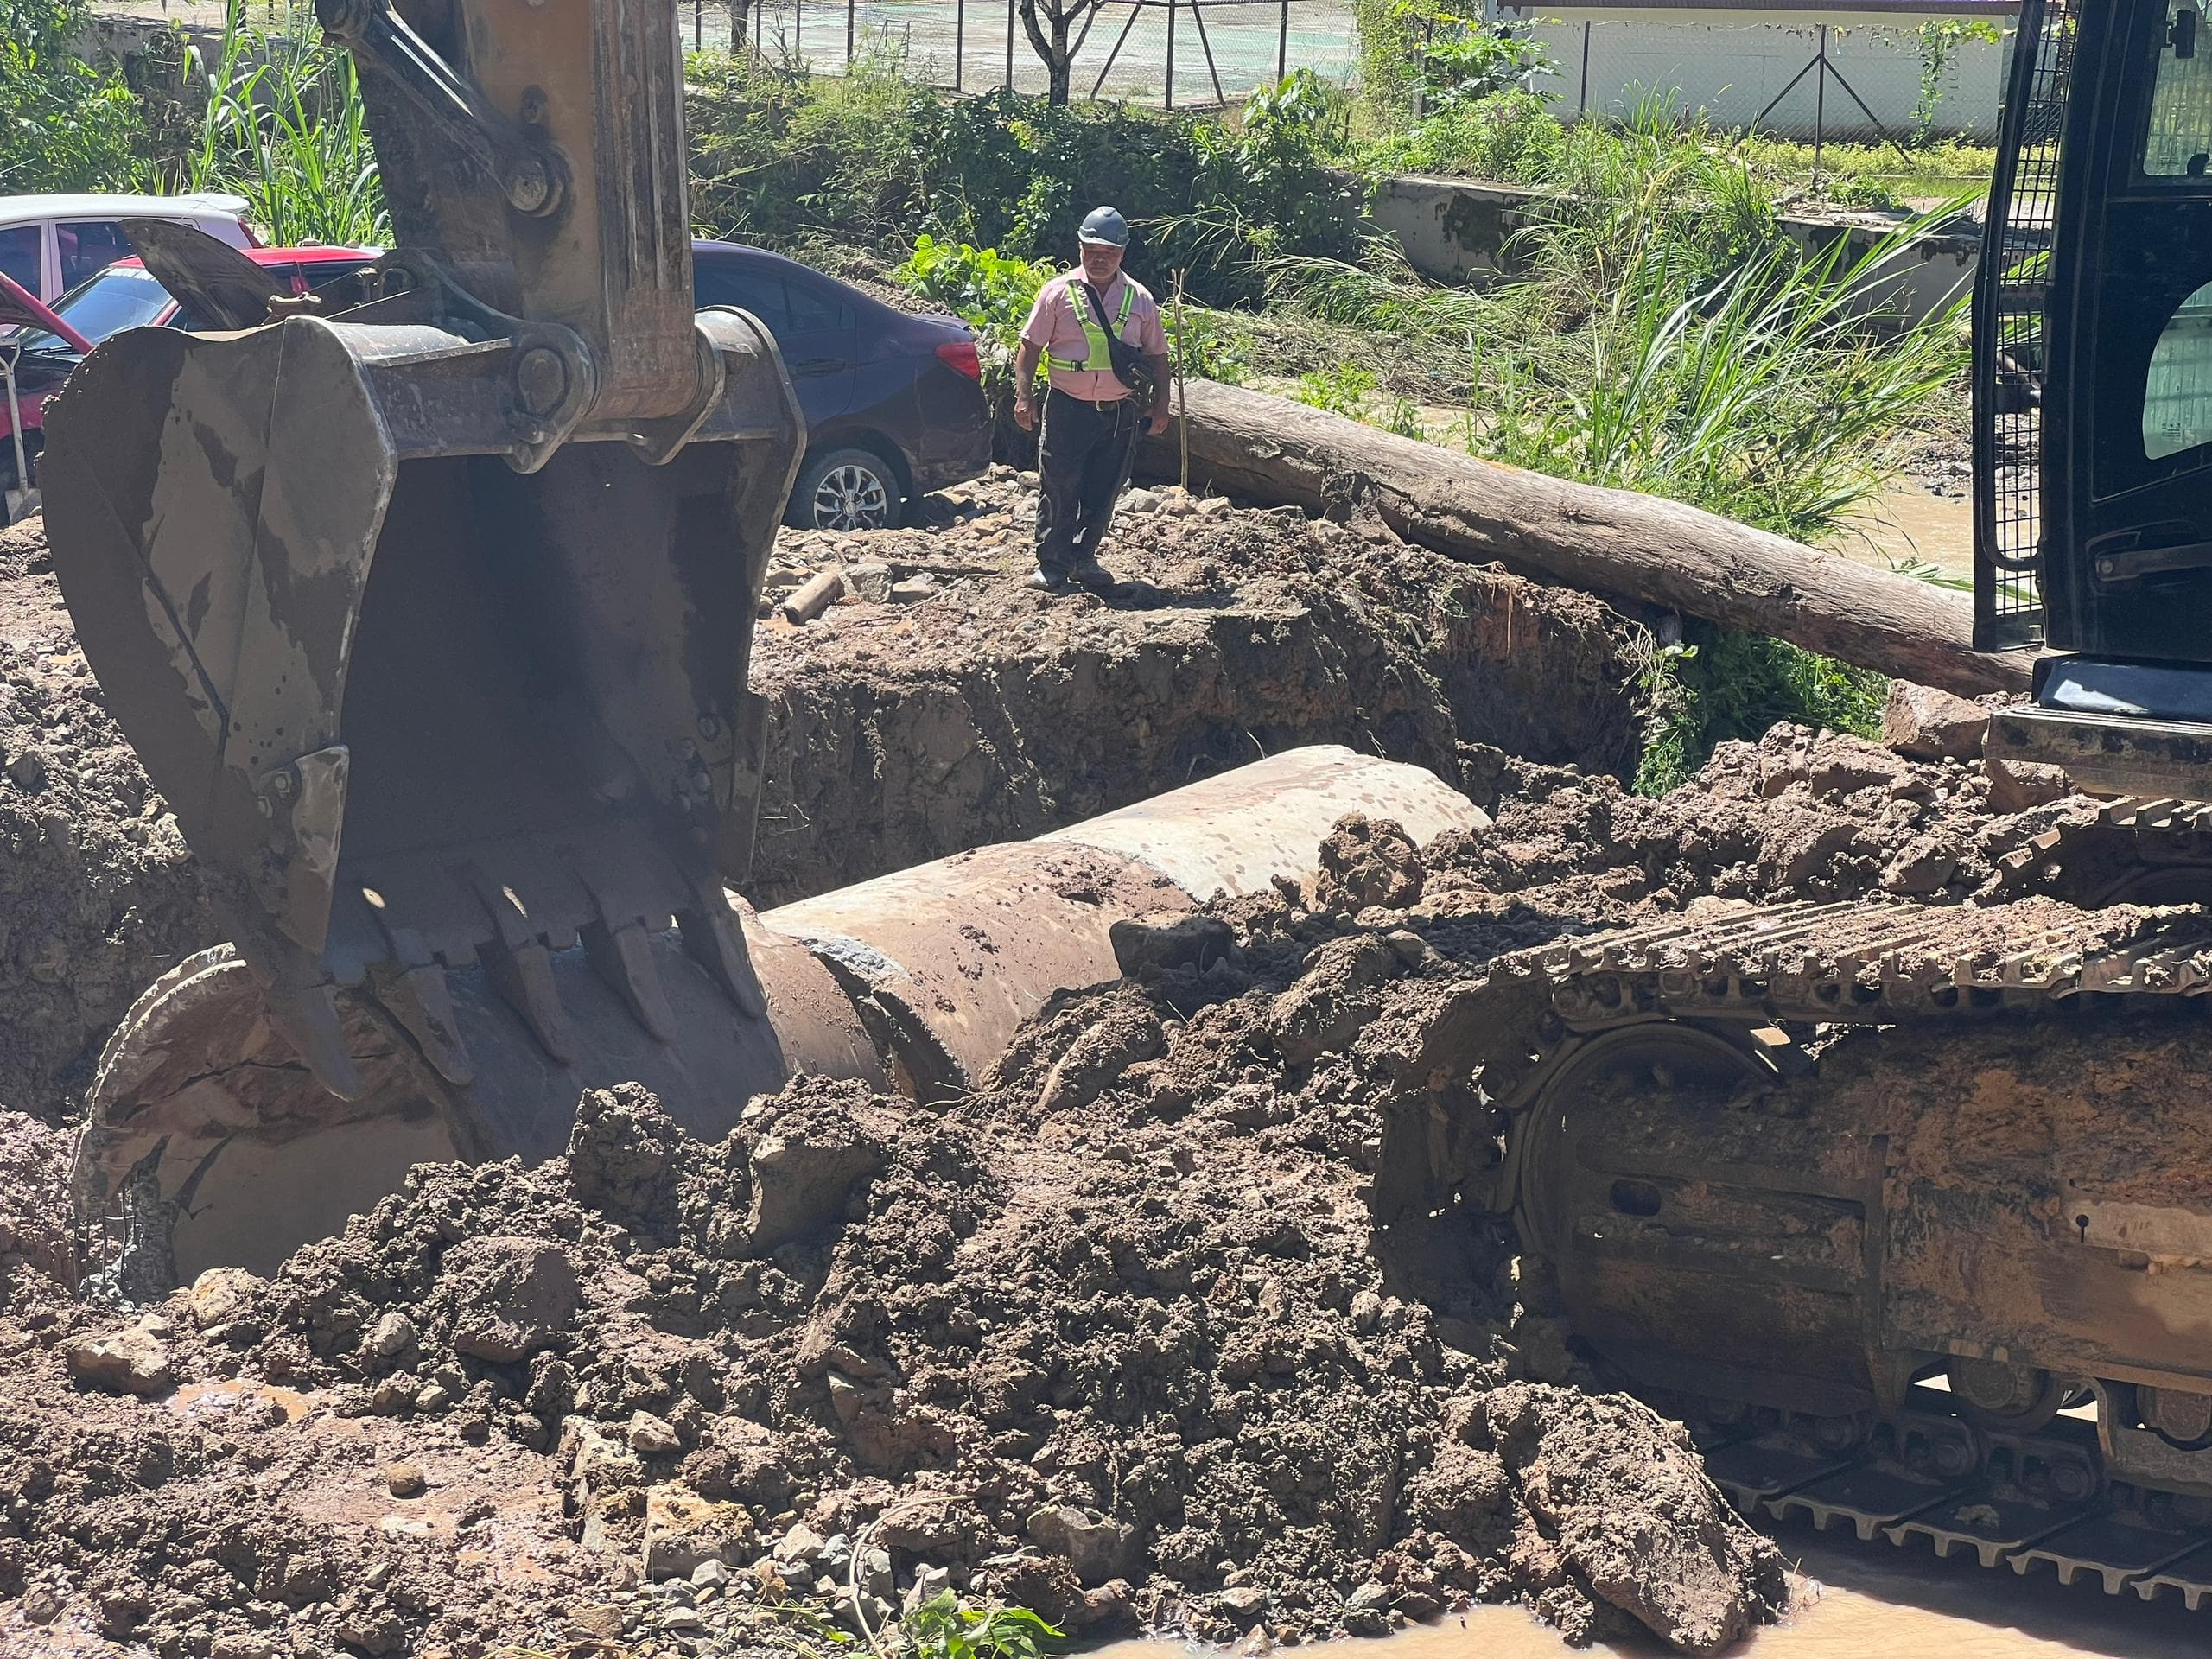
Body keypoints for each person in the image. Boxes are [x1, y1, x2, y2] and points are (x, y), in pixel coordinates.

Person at [1013, 206, 1172, 592]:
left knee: (1105, 488)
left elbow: (1158, 356)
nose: (1099, 259)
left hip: (1119, 411)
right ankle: (1053, 565)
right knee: (1060, 486)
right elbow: (1030, 347)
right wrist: (1023, 397)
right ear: (1081, 248)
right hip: (1068, 406)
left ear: (1122, 254)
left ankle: (1085, 559)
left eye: (1108, 253)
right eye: (1092, 251)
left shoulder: (1140, 299)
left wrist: (1161, 405)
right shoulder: (1057, 293)